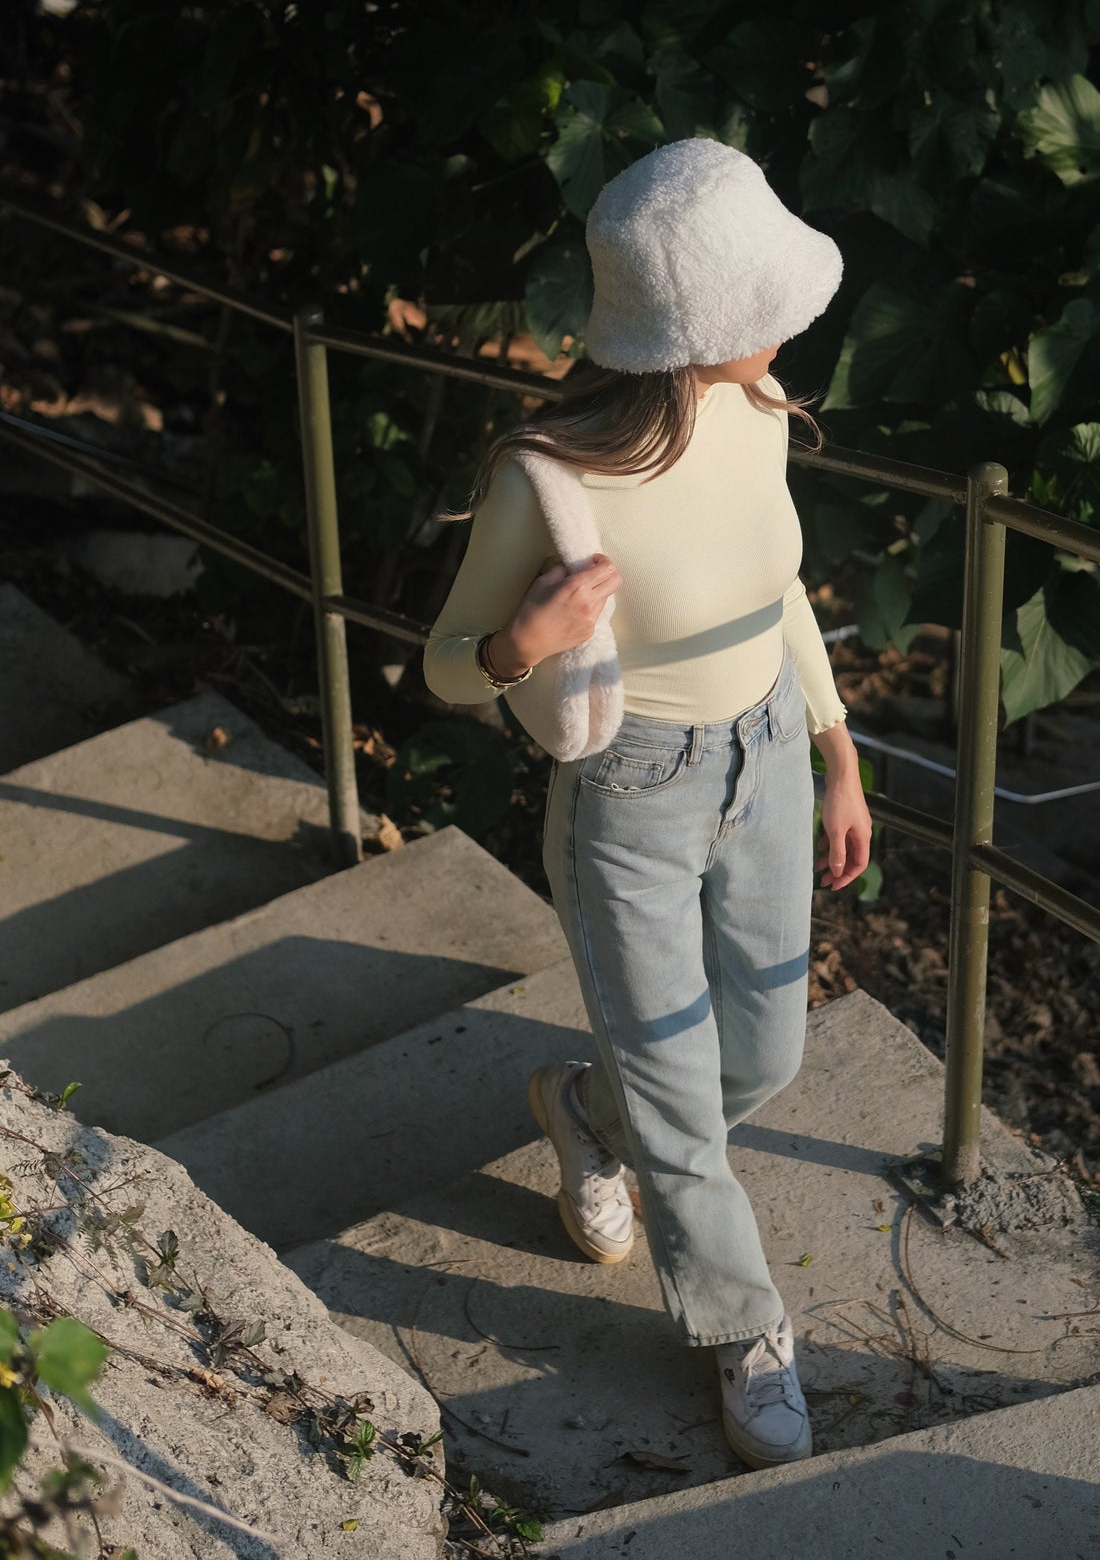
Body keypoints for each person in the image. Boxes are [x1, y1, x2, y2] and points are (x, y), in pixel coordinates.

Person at [422, 136, 872, 1471]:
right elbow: (445, 666)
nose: (791, 322)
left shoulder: (757, 405)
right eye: (767, 300)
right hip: (632, 794)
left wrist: (838, 749)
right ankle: (745, 1330)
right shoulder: (548, 477)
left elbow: (774, 587)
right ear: (703, 325)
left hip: (771, 756)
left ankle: (580, 1110)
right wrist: (523, 637)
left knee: (765, 1058)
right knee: (686, 1103)